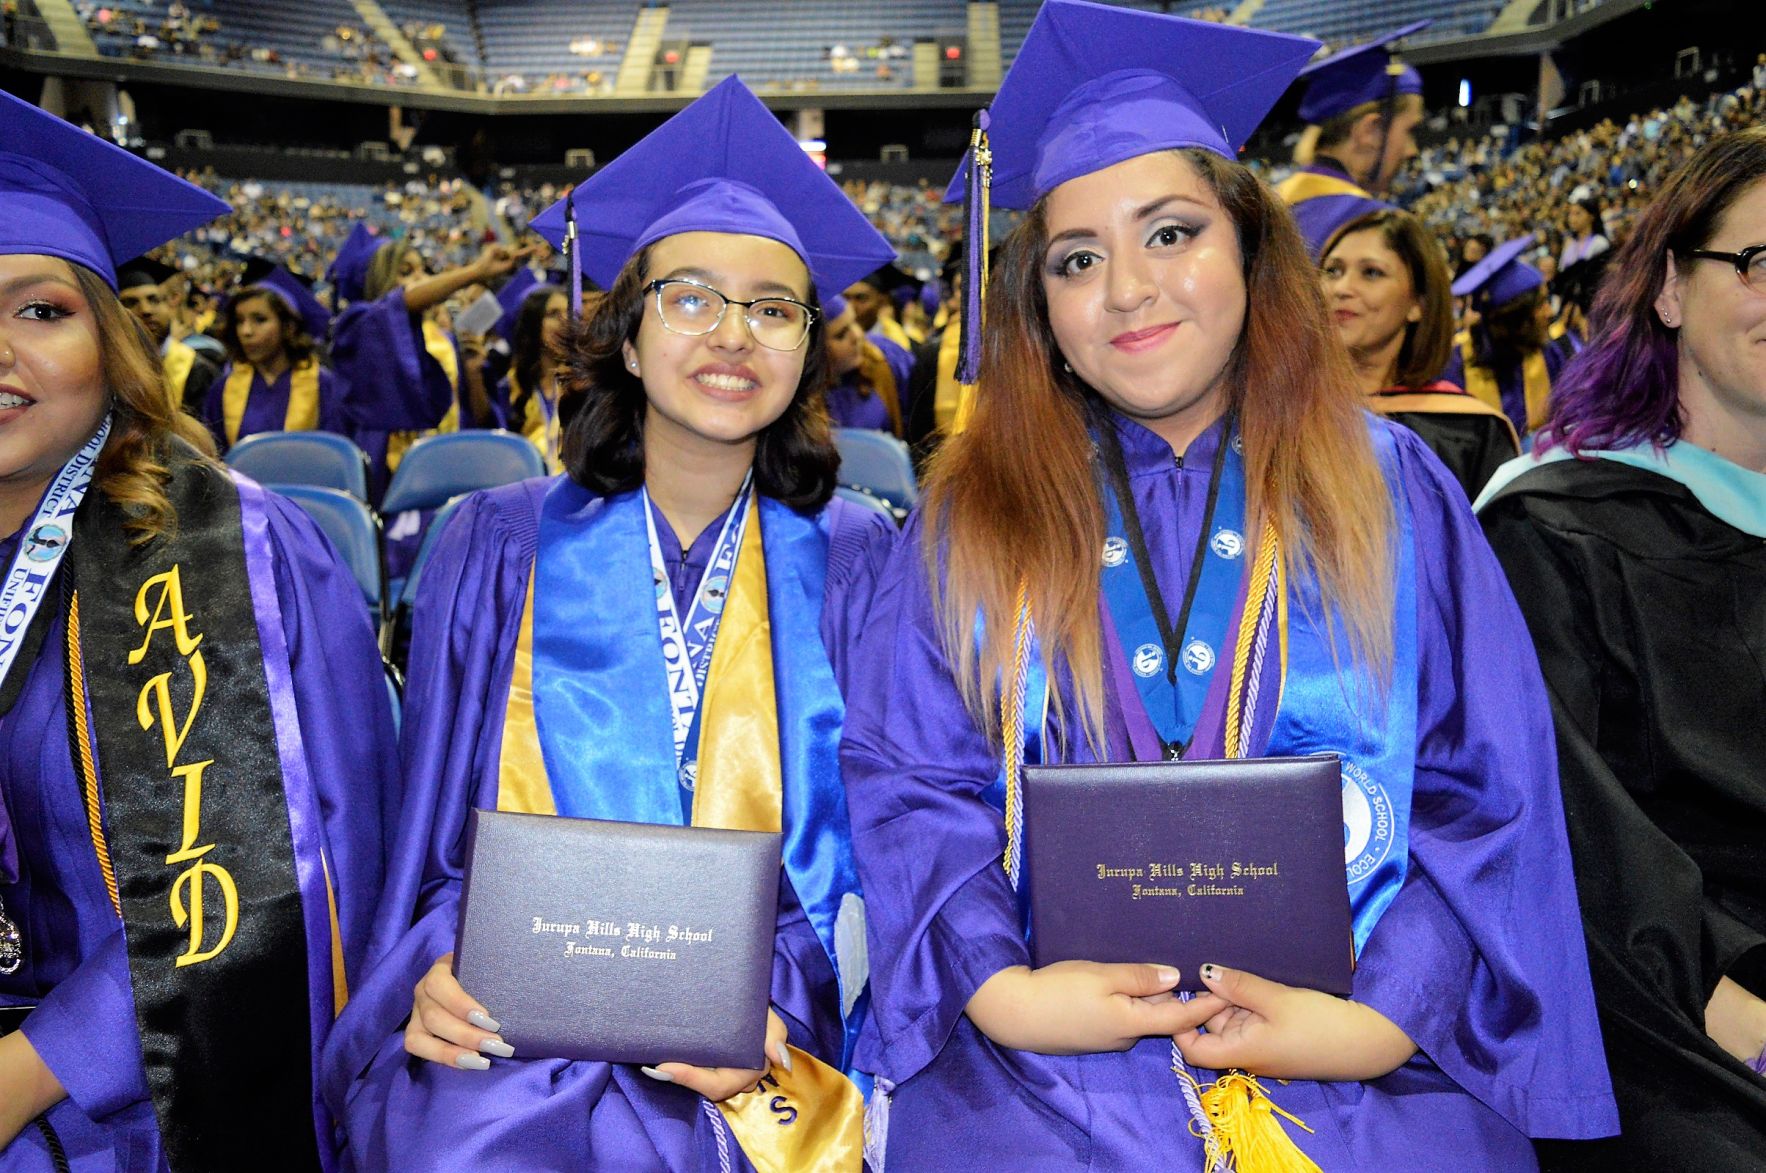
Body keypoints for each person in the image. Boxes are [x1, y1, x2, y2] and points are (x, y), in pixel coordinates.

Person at [840, 4, 1617, 1168]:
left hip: (1359, 1050)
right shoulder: (969, 513)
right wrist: (997, 990)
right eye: (1076, 259)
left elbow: (1482, 788)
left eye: (1169, 234)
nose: (1126, 291)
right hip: (1044, 1059)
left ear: (1250, 252)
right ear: (1039, 312)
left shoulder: (1391, 489)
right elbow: (913, 779)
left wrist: (1378, 1017)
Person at [321, 76, 896, 1171]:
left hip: (779, 1006)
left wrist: (805, 1008)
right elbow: (438, 837)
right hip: (523, 994)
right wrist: (436, 972)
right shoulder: (496, 542)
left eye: (773, 309)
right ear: (627, 340)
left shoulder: (864, 556)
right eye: (689, 298)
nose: (733, 333)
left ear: (805, 349)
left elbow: (891, 842)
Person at [0, 88, 394, 1169]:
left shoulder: (230, 552)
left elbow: (265, 886)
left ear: (111, 338)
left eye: (41, 310)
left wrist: (24, 1076)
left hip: (144, 1103)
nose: (1, 352)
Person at [1476, 125, 1766, 1169]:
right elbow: (1554, 829)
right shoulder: (1553, 528)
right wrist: (1722, 996)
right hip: (1658, 1008)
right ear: (1672, 290)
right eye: (1759, 262)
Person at [1320, 206, 1518, 498]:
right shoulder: (1280, 410)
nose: (1342, 288)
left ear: (1418, 304)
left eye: (1372, 273)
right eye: (1333, 270)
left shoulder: (1468, 431)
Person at [325, 224, 528, 501]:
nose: (420, 278)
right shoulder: (357, 324)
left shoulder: (445, 339)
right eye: (405, 272)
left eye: (421, 269)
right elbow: (395, 307)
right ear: (374, 278)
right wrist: (474, 272)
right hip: (384, 465)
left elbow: (475, 418)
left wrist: (473, 374)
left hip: (447, 464)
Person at [1275, 21, 1429, 257]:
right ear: (1370, 130)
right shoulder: (1378, 230)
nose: (1412, 150)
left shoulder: (1268, 208)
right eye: (1409, 131)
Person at [1444, 237, 1579, 441]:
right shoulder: (1454, 367)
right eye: (1541, 303)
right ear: (1516, 318)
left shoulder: (1550, 353)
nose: (1549, 312)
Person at [202, 262, 345, 452]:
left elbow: (334, 458)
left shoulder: (324, 386)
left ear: (288, 326)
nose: (246, 331)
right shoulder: (222, 390)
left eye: (259, 320)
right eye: (239, 321)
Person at [115, 255, 221, 415]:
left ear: (170, 306)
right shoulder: (107, 371)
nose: (146, 310)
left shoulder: (199, 371)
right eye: (130, 303)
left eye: (154, 300)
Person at [497, 283, 569, 471]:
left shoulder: (586, 381)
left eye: (569, 312)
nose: (564, 320)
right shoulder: (513, 384)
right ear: (534, 322)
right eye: (553, 314)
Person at [822, 293, 905, 434]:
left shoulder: (881, 360)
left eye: (854, 323)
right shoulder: (796, 407)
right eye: (841, 334)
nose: (857, 336)